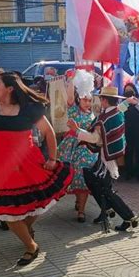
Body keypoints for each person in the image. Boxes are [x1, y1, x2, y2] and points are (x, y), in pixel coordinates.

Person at [0, 72, 73, 266]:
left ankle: (26, 232)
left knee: (34, 203)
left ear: (10, 88)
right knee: (7, 213)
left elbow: (49, 133)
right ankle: (31, 246)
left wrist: (52, 158)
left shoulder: (29, 109)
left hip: (28, 163)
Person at [68, 86, 139, 232]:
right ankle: (107, 211)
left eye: (100, 98)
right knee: (94, 181)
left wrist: (76, 130)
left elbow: (95, 138)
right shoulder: (116, 111)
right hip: (107, 156)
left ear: (103, 100)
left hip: (104, 157)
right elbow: (121, 107)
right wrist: (127, 102)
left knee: (104, 188)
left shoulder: (103, 119)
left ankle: (128, 217)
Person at [58, 70, 97, 223]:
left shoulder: (92, 115)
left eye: (89, 100)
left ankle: (81, 211)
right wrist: (71, 79)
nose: (87, 102)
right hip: (70, 148)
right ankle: (77, 201)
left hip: (86, 150)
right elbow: (68, 97)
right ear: (79, 99)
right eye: (84, 99)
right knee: (70, 176)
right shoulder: (73, 109)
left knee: (83, 178)